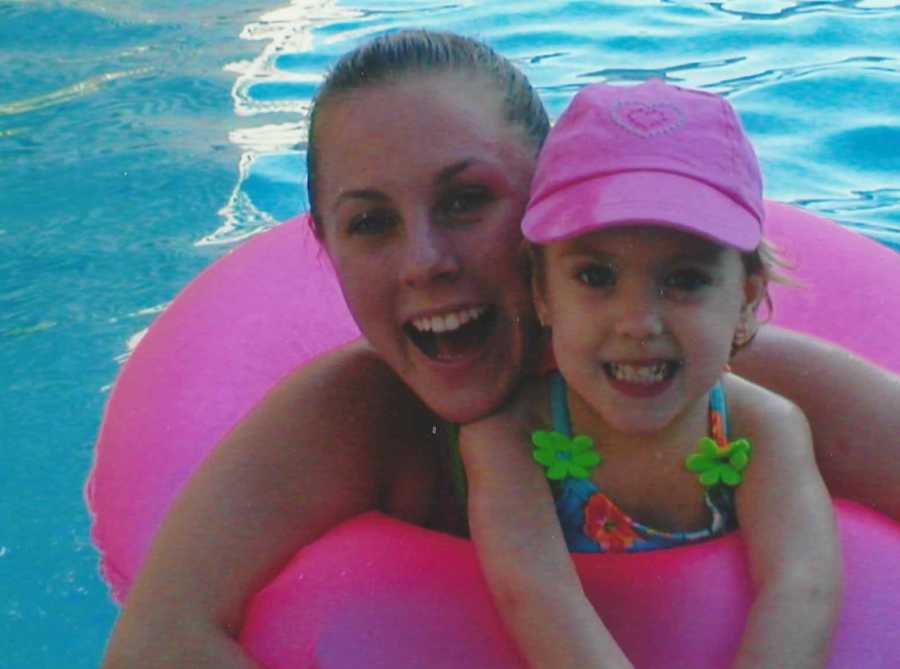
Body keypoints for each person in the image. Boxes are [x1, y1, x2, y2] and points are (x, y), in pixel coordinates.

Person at [101, 30, 899, 668]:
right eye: (371, 222)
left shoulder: (731, 390)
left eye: (467, 199)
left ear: (549, 213)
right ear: (327, 247)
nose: (425, 261)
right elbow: (152, 645)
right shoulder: (347, 418)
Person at [460, 79, 840, 668]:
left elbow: (802, 587)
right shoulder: (507, 441)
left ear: (744, 300)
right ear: (542, 292)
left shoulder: (762, 429)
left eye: (684, 280)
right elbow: (537, 595)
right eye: (595, 277)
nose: (638, 322)